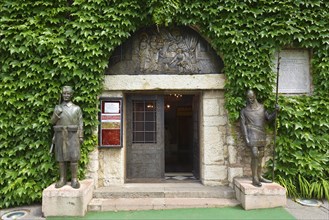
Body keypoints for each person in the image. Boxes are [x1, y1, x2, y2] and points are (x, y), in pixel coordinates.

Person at [240, 89, 279, 187]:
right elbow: (243, 126)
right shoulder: (244, 111)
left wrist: (276, 111)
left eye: (252, 97)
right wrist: (246, 138)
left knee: (260, 157)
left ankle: (259, 175)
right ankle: (254, 178)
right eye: (248, 98)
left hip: (261, 135)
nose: (250, 100)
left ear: (255, 96)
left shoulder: (262, 108)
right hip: (251, 135)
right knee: (254, 155)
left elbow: (268, 118)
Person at [51, 86, 83, 189]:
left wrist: (81, 135)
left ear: (71, 94)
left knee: (74, 157)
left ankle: (74, 179)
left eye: (68, 93)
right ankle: (62, 179)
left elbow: (80, 123)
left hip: (73, 134)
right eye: (64, 93)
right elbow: (51, 122)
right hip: (60, 134)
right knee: (61, 158)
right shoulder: (58, 108)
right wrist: (56, 115)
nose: (66, 95)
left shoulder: (76, 108)